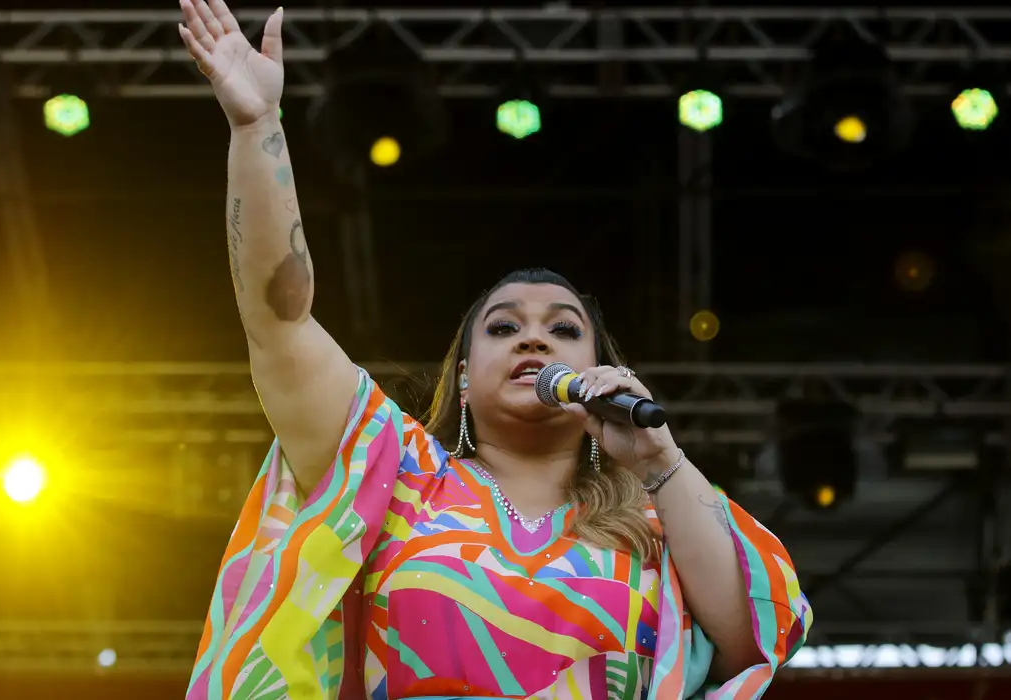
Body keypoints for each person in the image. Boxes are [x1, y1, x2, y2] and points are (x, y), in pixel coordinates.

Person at [178, 2, 812, 698]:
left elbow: (752, 639)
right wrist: (256, 126)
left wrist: (661, 463)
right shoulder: (397, 476)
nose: (534, 336)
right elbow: (281, 324)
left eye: (565, 330)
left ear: (601, 369)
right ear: (465, 378)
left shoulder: (660, 519)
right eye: (503, 328)